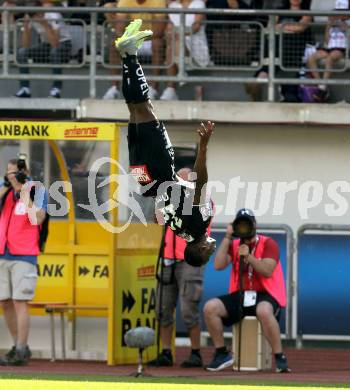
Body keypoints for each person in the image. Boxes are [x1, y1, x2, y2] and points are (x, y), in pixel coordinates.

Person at [115, 19, 216, 267]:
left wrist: (203, 146)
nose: (212, 249)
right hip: (144, 179)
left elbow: (200, 182)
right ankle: (129, 56)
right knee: (134, 112)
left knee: (146, 110)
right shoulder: (181, 232)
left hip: (160, 172)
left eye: (208, 253)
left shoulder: (200, 223)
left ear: (201, 248)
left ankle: (129, 54)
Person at [203, 208, 290, 373]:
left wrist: (249, 257)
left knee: (264, 310)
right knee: (210, 307)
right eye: (240, 225)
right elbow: (218, 265)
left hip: (266, 295)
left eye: (247, 224)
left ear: (254, 225)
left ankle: (279, 357)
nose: (244, 228)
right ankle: (222, 353)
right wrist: (228, 238)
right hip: (241, 294)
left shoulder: (268, 243)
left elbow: (267, 270)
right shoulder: (234, 244)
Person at [149, 167, 210, 368]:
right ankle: (166, 352)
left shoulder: (202, 201)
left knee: (188, 308)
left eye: (183, 182)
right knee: (163, 308)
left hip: (189, 259)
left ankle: (195, 352)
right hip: (168, 257)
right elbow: (156, 219)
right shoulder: (170, 200)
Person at [0, 157, 48, 366]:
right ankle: (15, 345)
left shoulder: (37, 190)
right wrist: (7, 186)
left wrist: (23, 190)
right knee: (5, 302)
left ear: (24, 172)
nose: (12, 176)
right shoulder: (4, 191)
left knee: (20, 301)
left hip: (24, 254)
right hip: (3, 252)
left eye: (15, 172)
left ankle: (21, 348)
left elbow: (37, 218)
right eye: (8, 172)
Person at [102, 0, 166, 100]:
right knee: (115, 45)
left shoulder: (158, 1)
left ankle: (154, 89)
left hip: (150, 39)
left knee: (158, 44)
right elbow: (119, 30)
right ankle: (113, 88)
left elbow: (159, 30)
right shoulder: (125, 1)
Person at [14, 0, 72, 98]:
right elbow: (25, 44)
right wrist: (26, 26)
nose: (34, 16)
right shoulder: (30, 16)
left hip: (63, 43)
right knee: (21, 52)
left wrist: (44, 24)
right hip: (47, 44)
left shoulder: (53, 14)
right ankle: (25, 88)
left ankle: (56, 89)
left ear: (40, 10)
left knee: (54, 52)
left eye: (35, 13)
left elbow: (55, 43)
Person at [160, 0, 211, 101]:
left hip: (196, 49)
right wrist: (169, 34)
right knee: (172, 44)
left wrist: (180, 34)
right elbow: (169, 28)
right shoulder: (173, 6)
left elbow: (196, 27)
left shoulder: (199, 3)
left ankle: (174, 83)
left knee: (175, 41)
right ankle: (172, 88)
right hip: (176, 45)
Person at [307, 1, 350, 101]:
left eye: (343, 12)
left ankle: (322, 89)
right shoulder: (332, 23)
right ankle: (321, 85)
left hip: (342, 48)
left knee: (330, 59)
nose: (339, 14)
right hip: (330, 47)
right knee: (311, 58)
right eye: (337, 12)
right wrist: (329, 25)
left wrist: (344, 27)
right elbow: (327, 40)